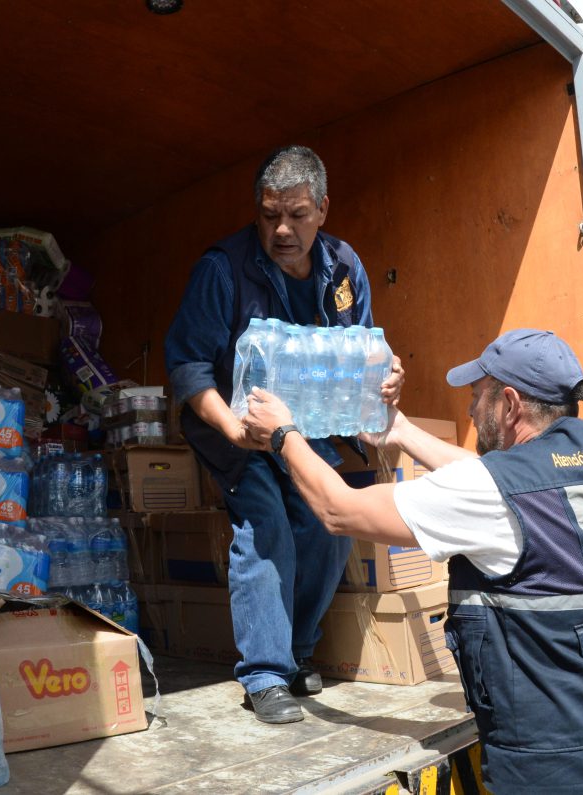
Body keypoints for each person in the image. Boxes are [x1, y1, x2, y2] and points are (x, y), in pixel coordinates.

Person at [243, 328, 583, 793]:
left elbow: (339, 510)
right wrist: (399, 430)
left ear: (509, 404)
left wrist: (283, 434)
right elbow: (490, 481)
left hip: (555, 775)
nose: (468, 409)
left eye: (476, 395)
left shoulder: (496, 493)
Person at [165, 145, 404, 724]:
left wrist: (388, 373)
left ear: (323, 208)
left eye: (297, 215)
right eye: (270, 214)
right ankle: (265, 674)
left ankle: (296, 652)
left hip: (305, 427)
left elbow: (361, 349)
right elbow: (188, 366)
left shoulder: (344, 269)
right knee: (266, 519)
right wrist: (232, 425)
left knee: (332, 522)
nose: (281, 229)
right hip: (233, 424)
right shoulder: (223, 269)